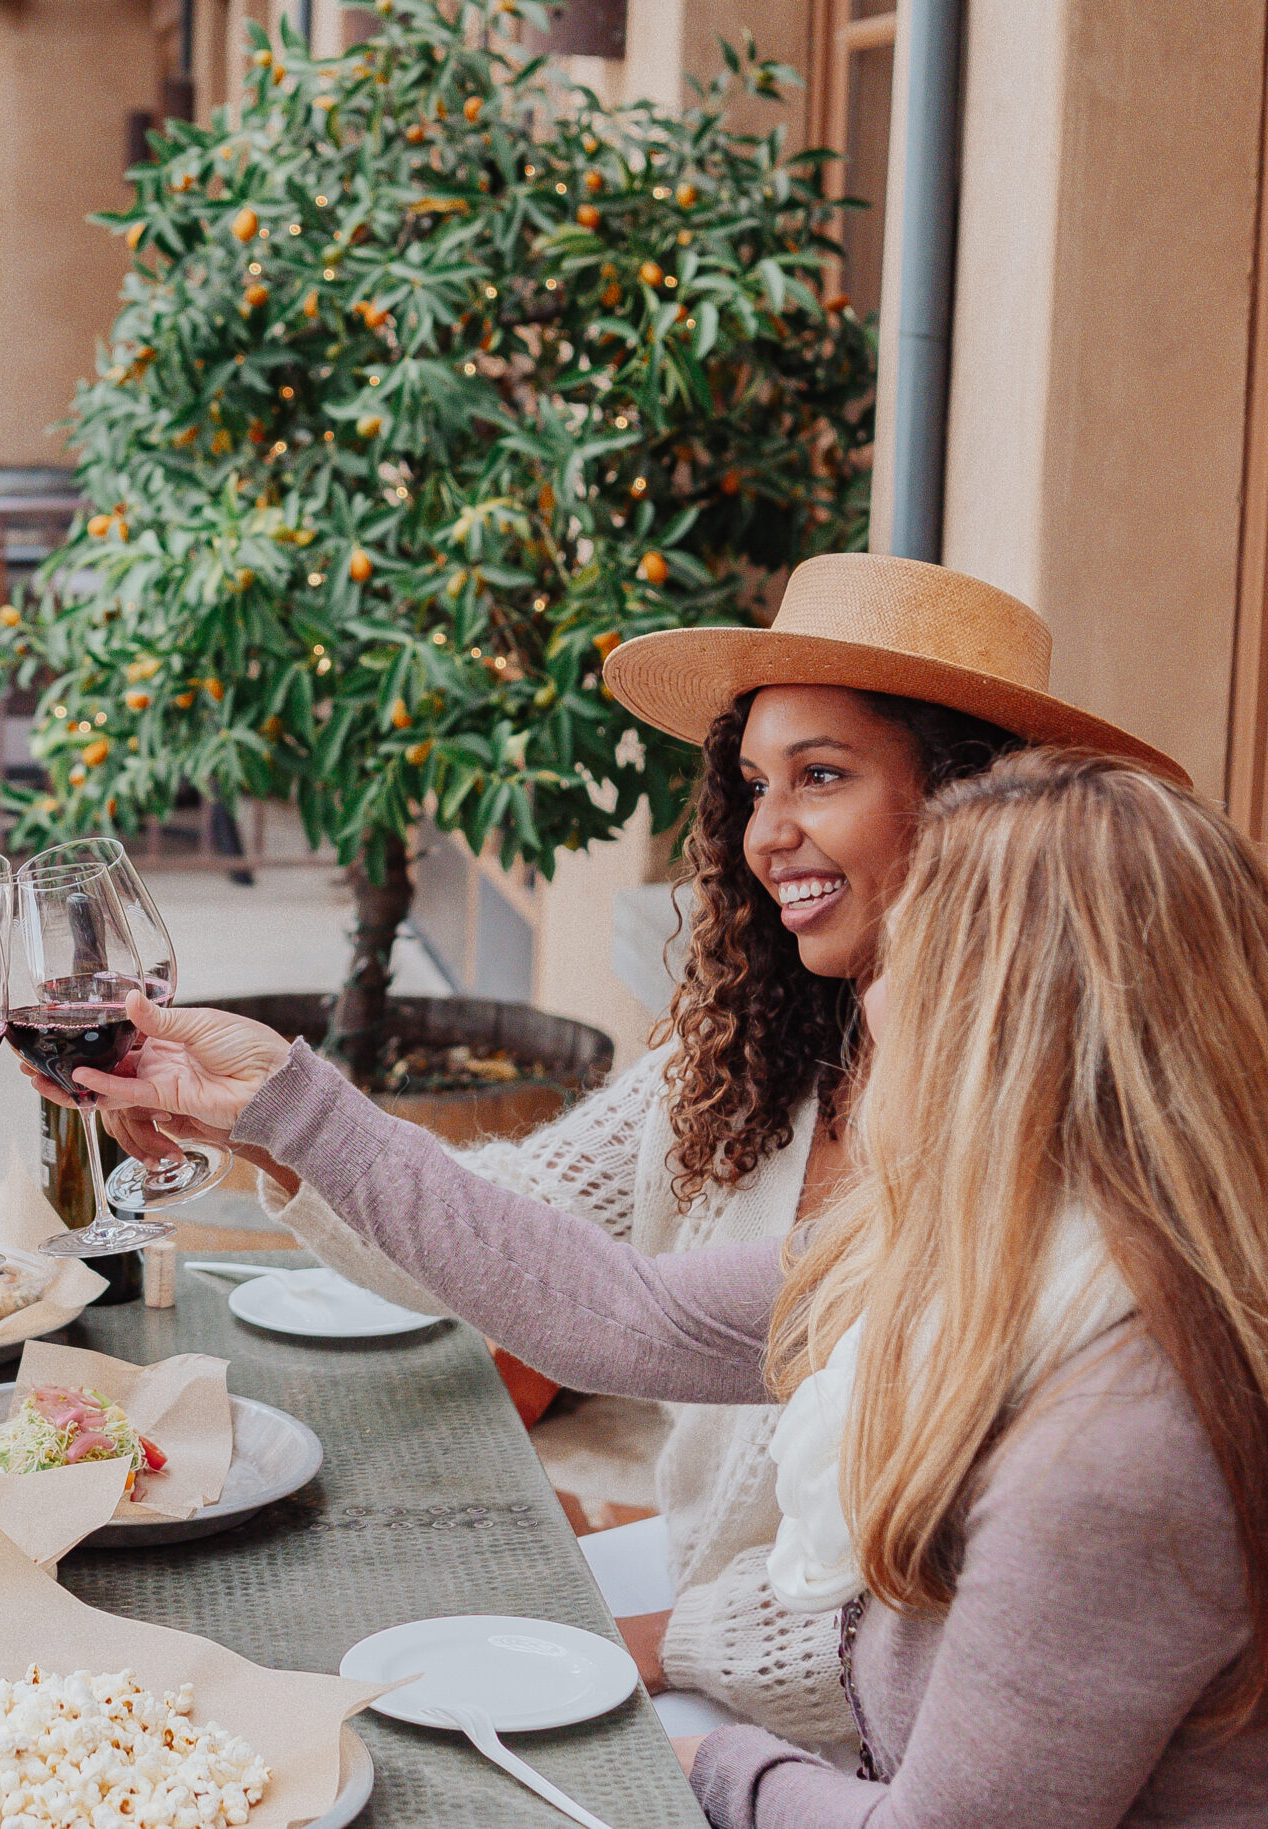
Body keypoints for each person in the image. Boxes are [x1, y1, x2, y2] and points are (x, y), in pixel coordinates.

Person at [84, 553, 1189, 1751]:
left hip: (849, 1707)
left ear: (978, 806)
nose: (769, 834)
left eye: (821, 776)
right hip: (716, 1594)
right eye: (753, 784)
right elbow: (543, 1263)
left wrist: (658, 1637)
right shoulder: (750, 1053)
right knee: (307, 1630)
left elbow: (972, 1628)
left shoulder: (1059, 1173)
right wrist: (268, 1114)